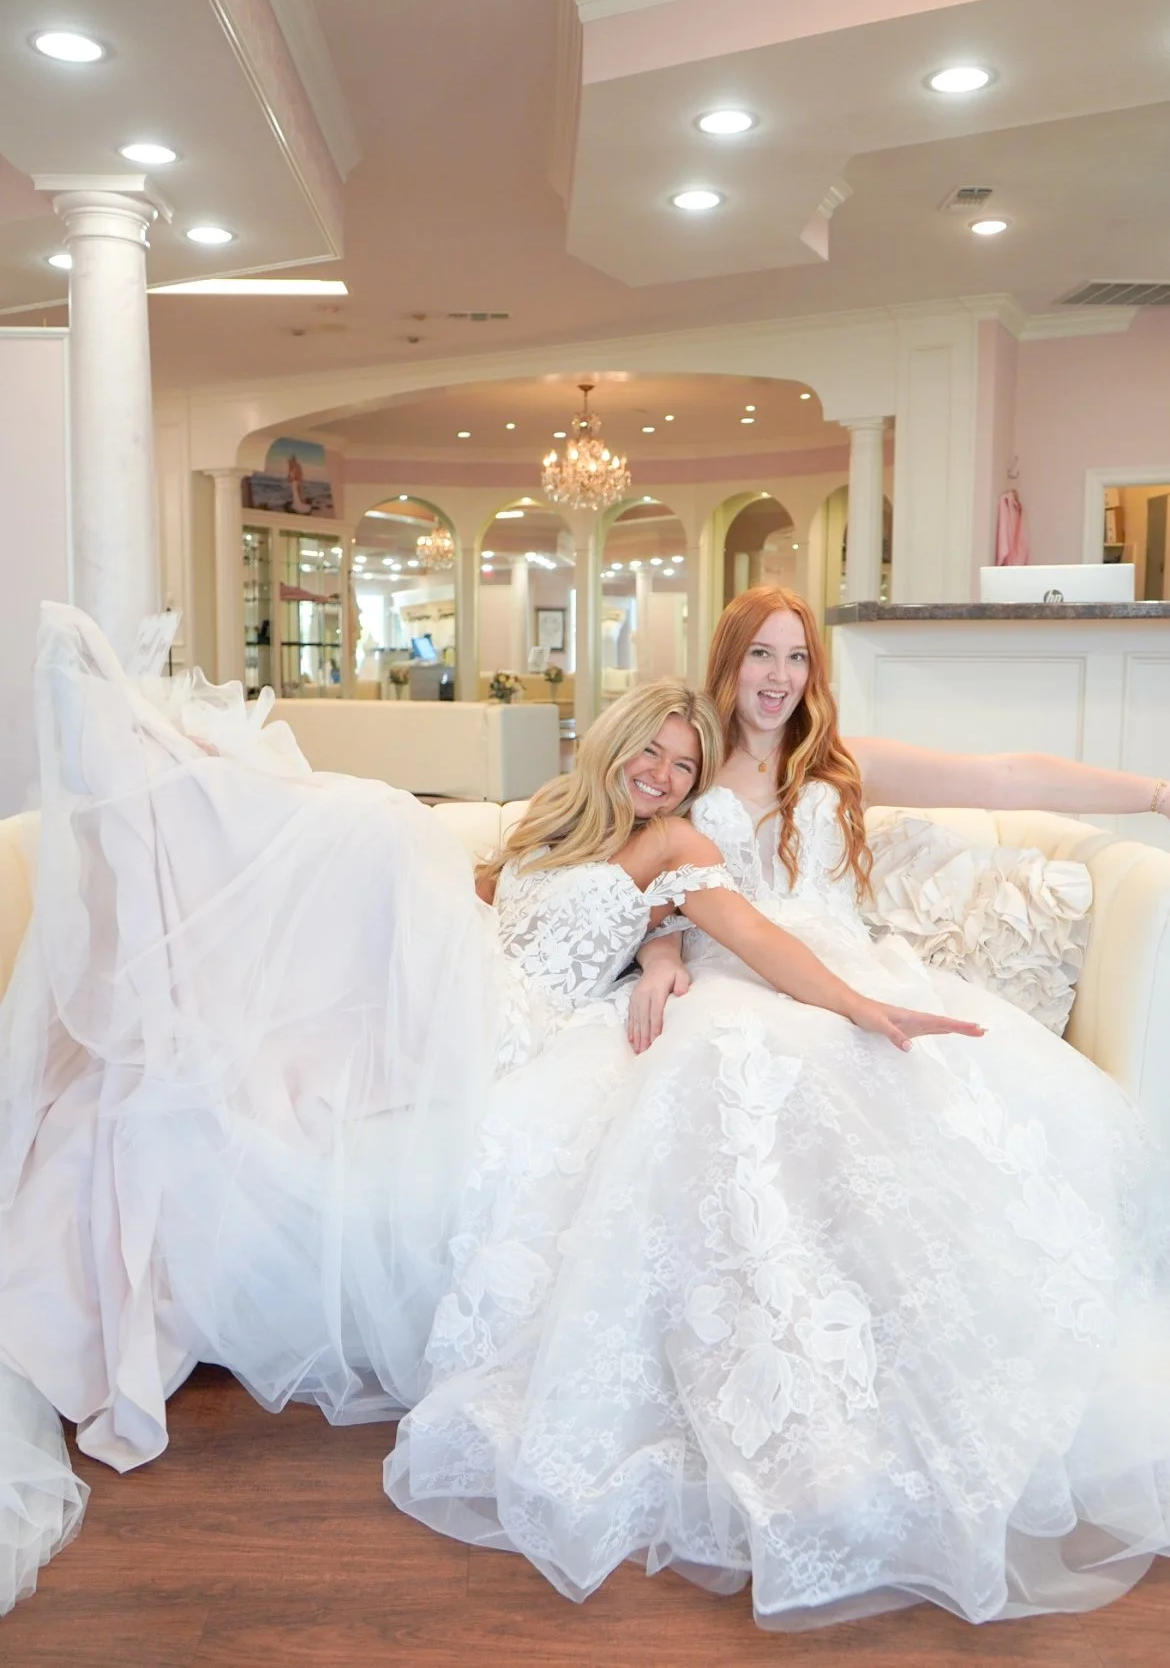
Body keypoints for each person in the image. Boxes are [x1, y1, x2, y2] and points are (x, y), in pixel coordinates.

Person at [0, 604, 963, 1615]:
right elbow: (491, 901)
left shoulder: (676, 842)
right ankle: (163, 767)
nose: (663, 774)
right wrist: (646, 946)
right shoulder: (560, 821)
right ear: (617, 742)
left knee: (382, 826)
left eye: (684, 766)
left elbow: (754, 936)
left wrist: (855, 1004)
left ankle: (161, 753)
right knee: (350, 871)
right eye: (651, 750)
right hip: (457, 975)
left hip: (501, 1021)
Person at [385, 586, 1170, 1631]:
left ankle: (904, 1397)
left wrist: (1154, 791)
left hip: (844, 968)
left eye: (797, 657)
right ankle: (791, 1427)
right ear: (728, 661)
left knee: (911, 1093)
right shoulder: (685, 762)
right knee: (742, 1085)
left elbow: (1002, 775)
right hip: (734, 982)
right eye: (761, 653)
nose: (780, 676)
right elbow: (636, 878)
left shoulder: (836, 764)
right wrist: (661, 956)